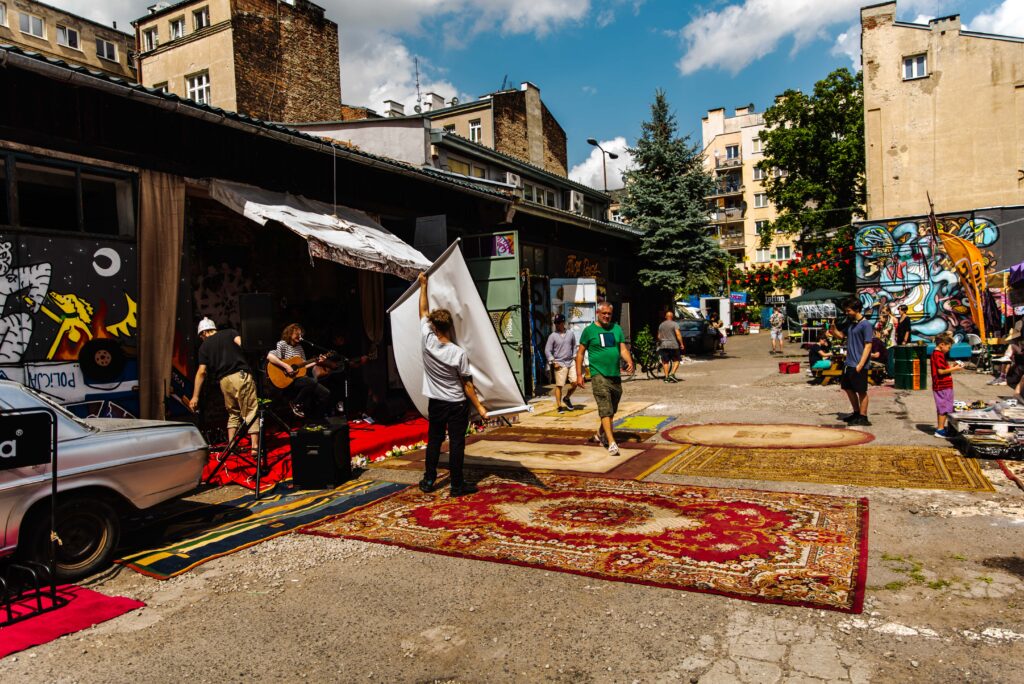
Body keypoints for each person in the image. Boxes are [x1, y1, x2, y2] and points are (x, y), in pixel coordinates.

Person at [417, 272, 489, 497]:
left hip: (436, 402)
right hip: (456, 404)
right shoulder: (458, 354)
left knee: (434, 441)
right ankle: (457, 485)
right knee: (457, 443)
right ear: (450, 327)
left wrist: (423, 285)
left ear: (434, 327)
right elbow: (467, 386)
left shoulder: (427, 340)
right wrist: (480, 408)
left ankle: (429, 480)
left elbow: (423, 311)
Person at [189, 317, 259, 454]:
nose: (202, 339)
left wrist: (195, 396)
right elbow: (244, 345)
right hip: (240, 375)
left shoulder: (203, 347)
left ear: (203, 333)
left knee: (233, 413)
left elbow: (201, 372)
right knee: (250, 410)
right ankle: (255, 447)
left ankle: (232, 445)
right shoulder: (230, 333)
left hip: (224, 381)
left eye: (201, 336)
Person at [575, 301, 634, 456]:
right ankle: (611, 442)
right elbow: (580, 353)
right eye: (604, 313)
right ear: (598, 313)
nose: (607, 316)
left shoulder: (616, 329)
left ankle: (599, 434)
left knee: (611, 409)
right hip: (598, 374)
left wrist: (629, 361)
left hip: (614, 375)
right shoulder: (589, 331)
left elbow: (622, 349)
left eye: (609, 314)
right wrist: (579, 374)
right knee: (605, 408)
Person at [266, 323, 331, 422]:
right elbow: (270, 356)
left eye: (301, 335)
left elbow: (303, 366)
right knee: (312, 381)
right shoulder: (282, 344)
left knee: (326, 393)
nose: (299, 336)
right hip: (287, 380)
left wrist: (316, 362)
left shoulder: (299, 348)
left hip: (300, 379)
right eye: (297, 334)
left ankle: (316, 419)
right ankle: (295, 402)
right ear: (290, 333)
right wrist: (286, 366)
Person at [830, 298, 874, 426]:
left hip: (858, 364)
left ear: (857, 309)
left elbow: (868, 345)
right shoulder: (852, 324)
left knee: (861, 391)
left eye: (848, 310)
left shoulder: (865, 325)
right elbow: (841, 336)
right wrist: (833, 329)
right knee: (848, 388)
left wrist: (861, 364)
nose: (846, 313)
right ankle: (856, 413)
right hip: (849, 363)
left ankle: (863, 417)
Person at [932, 333, 965, 439]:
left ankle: (941, 428)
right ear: (942, 344)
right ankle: (940, 429)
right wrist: (955, 369)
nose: (949, 350)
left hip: (942, 385)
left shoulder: (938, 354)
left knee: (944, 407)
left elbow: (943, 368)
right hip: (942, 385)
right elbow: (941, 371)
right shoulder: (938, 355)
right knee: (944, 408)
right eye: (948, 347)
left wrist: (952, 366)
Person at [545, 314, 578, 412]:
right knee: (559, 385)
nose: (557, 325)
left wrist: (575, 357)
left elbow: (574, 346)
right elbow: (547, 350)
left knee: (575, 383)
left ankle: (567, 398)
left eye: (559, 323)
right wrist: (553, 361)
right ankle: (559, 406)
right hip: (559, 363)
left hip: (571, 361)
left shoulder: (570, 334)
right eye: (555, 323)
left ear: (563, 323)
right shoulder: (552, 336)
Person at [657, 310, 684, 383]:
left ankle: (666, 377)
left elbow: (659, 336)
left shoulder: (661, 325)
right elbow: (678, 334)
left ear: (666, 317)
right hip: (673, 345)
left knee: (665, 362)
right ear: (672, 317)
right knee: (677, 360)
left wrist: (661, 342)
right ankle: (672, 374)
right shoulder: (675, 324)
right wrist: (681, 344)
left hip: (663, 345)